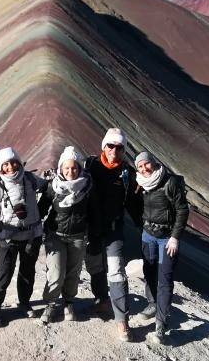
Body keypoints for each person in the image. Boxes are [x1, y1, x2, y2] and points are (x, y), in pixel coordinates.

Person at [0, 147, 47, 328]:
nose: (10, 167)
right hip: (8, 238)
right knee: (4, 275)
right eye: (5, 164)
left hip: (32, 236)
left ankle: (24, 303)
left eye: (13, 162)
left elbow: (47, 186)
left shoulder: (30, 180)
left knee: (27, 272)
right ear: (0, 167)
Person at [84, 128, 142, 342]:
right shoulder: (90, 166)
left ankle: (122, 319)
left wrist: (143, 226)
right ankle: (102, 300)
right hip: (92, 229)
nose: (114, 150)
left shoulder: (127, 173)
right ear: (104, 146)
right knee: (94, 265)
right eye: (111, 145)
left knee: (116, 271)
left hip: (114, 229)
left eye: (119, 147)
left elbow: (133, 204)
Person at [37, 146, 97, 324]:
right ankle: (50, 304)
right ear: (60, 169)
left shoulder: (87, 187)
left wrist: (95, 234)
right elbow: (41, 209)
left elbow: (94, 212)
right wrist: (33, 230)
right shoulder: (53, 186)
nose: (70, 171)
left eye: (74, 168)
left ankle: (68, 302)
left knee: (73, 272)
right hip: (55, 235)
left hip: (78, 236)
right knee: (55, 273)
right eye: (66, 168)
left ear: (79, 168)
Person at [134, 151, 189, 345]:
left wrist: (175, 237)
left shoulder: (169, 182)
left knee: (164, 278)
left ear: (153, 163)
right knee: (149, 271)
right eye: (140, 166)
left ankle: (161, 322)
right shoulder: (140, 182)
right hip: (148, 235)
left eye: (146, 165)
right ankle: (152, 304)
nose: (144, 169)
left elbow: (183, 209)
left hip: (167, 238)